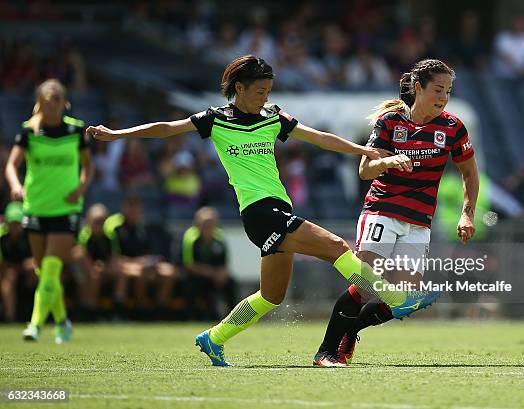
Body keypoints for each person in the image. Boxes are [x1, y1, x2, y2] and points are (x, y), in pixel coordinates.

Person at [87, 54, 427, 367]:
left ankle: (214, 338)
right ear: (239, 87)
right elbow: (166, 128)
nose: (265, 96)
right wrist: (117, 134)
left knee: (271, 296)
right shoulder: (215, 119)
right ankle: (394, 297)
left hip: (277, 209)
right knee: (337, 247)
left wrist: (365, 153)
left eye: (268, 90)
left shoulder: (273, 117)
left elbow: (319, 138)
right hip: (259, 212)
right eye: (260, 90)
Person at [314, 59, 479, 366]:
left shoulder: (454, 127)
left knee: (405, 299)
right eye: (438, 89)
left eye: (448, 91)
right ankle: (325, 351)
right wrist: (388, 162)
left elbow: (470, 174)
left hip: (419, 222)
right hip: (383, 211)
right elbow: (365, 170)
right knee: (366, 284)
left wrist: (467, 214)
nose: (444, 97)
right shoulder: (391, 122)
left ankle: (350, 330)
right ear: (418, 87)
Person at [5, 78, 94, 343]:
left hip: (65, 207)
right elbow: (11, 165)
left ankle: (34, 325)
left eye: (57, 98)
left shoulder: (76, 131)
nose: (53, 103)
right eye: (48, 99)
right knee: (42, 271)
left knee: (53, 268)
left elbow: (88, 167)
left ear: (64, 102)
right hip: (36, 206)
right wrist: (15, 185)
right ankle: (63, 320)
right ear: (40, 102)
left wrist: (81, 187)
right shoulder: (29, 132)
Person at [103, 195, 177, 316]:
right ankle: (141, 310)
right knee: (142, 271)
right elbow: (113, 258)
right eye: (131, 206)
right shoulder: (114, 226)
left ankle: (160, 310)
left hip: (141, 264)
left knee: (170, 271)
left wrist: (151, 260)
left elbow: (146, 252)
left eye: (137, 207)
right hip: (122, 265)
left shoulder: (141, 227)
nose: (134, 210)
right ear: (124, 207)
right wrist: (139, 262)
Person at [182, 206, 236, 320]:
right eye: (206, 223)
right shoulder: (191, 237)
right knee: (192, 285)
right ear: (198, 223)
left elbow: (224, 262)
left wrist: (221, 274)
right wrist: (211, 273)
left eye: (212, 223)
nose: (209, 226)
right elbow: (189, 264)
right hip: (195, 275)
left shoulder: (219, 236)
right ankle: (192, 317)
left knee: (231, 282)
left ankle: (234, 316)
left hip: (213, 275)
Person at [74, 203, 114, 319]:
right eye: (97, 221)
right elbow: (80, 254)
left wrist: (104, 266)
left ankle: (95, 310)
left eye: (103, 221)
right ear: (88, 221)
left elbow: (113, 256)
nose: (100, 225)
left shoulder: (109, 236)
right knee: (89, 277)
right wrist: (92, 268)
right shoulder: (85, 234)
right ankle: (86, 310)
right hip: (79, 266)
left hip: (98, 267)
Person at [1, 202, 35, 322]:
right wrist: (18, 268)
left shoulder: (32, 235)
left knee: (36, 275)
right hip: (8, 273)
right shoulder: (1, 236)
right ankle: (10, 318)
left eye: (18, 223)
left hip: (28, 273)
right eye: (12, 223)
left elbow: (40, 258)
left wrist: (31, 264)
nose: (15, 227)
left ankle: (34, 315)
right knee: (9, 279)